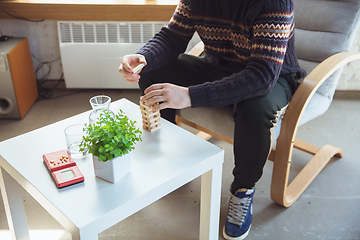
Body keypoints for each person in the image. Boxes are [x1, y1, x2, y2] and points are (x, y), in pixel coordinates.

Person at [119, 0, 306, 239]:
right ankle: (167, 151)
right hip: (219, 68)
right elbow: (171, 37)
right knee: (153, 72)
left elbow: (261, 76)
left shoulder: (272, 3)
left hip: (273, 76)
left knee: (255, 109)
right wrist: (143, 57)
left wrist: (190, 95)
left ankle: (242, 189)